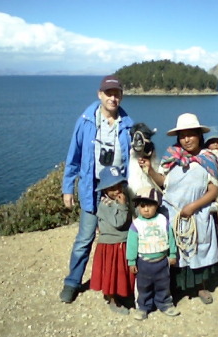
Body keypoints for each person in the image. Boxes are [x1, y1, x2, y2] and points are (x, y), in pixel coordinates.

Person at [60, 75, 134, 303]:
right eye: (108, 93)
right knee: (85, 239)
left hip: (119, 191)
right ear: (99, 94)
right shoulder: (86, 122)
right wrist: (68, 188)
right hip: (93, 191)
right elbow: (73, 157)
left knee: (120, 239)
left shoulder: (128, 124)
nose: (113, 97)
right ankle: (72, 282)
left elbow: (135, 159)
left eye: (117, 93)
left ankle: (121, 285)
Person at [138, 113, 218, 305]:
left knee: (199, 249)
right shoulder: (171, 157)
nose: (187, 139)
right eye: (183, 135)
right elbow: (164, 183)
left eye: (191, 134)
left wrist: (193, 206)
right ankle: (173, 289)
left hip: (197, 215)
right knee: (175, 252)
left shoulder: (208, 159)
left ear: (199, 135)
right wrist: (150, 170)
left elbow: (213, 190)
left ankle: (201, 287)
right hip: (173, 213)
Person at [126, 186, 180, 320]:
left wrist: (172, 254)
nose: (146, 209)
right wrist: (131, 261)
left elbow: (171, 237)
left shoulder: (163, 220)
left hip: (162, 261)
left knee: (163, 284)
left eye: (150, 205)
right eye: (142, 206)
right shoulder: (136, 224)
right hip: (144, 262)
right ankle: (143, 307)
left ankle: (165, 304)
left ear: (157, 205)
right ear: (138, 207)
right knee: (143, 286)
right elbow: (132, 244)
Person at [90, 166, 135, 315]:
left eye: (118, 186)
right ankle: (112, 299)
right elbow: (118, 222)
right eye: (112, 188)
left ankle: (124, 294)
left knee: (121, 272)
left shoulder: (122, 199)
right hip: (111, 245)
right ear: (104, 190)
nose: (116, 191)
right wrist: (123, 206)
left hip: (123, 242)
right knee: (112, 273)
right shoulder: (105, 205)